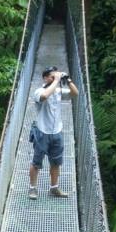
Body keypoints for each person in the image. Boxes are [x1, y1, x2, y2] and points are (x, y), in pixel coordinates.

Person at [28, 66, 76, 198]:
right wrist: (56, 80)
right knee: (36, 162)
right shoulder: (39, 91)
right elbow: (44, 96)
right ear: (45, 78)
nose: (55, 77)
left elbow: (75, 94)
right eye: (52, 76)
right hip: (42, 132)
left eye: (56, 75)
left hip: (57, 132)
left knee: (56, 162)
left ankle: (54, 188)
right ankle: (32, 188)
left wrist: (68, 80)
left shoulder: (59, 91)